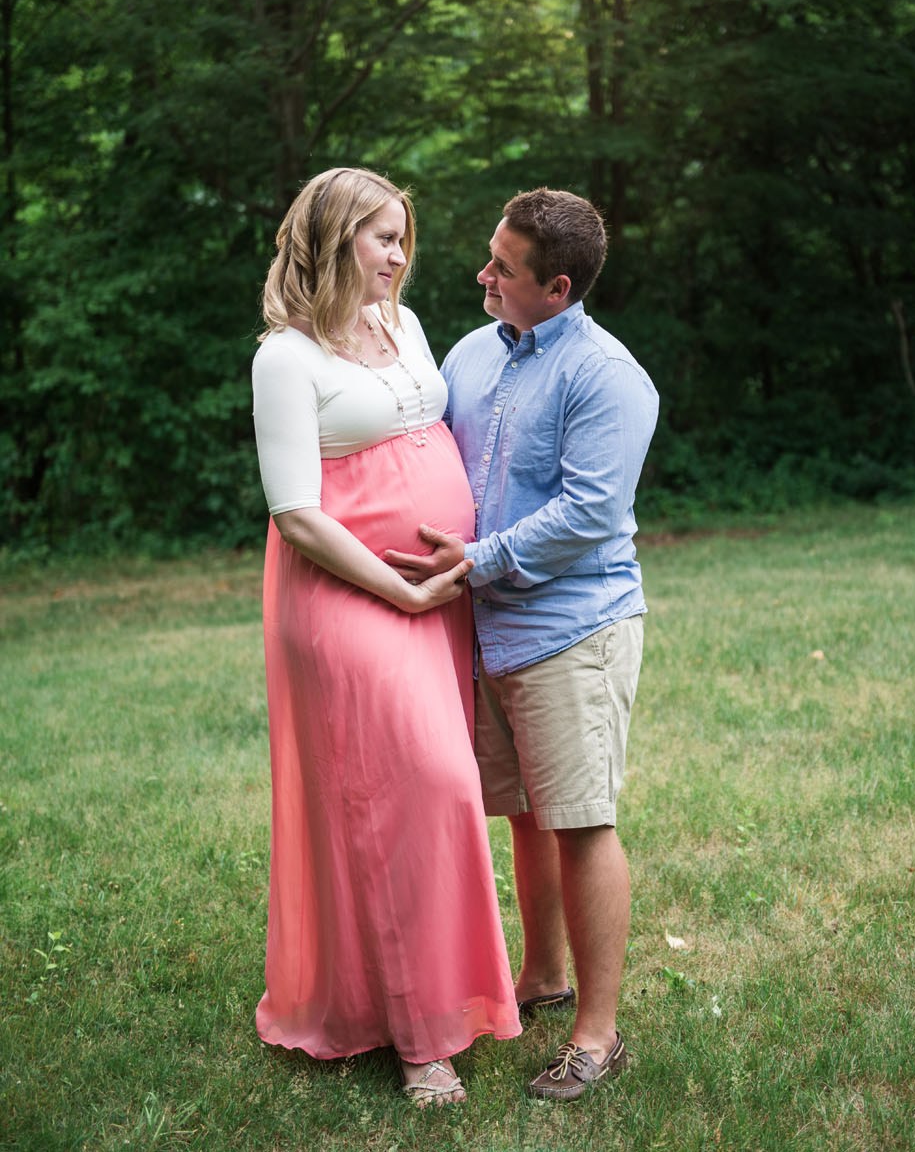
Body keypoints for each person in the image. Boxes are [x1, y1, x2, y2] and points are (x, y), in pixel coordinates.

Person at [251, 167, 521, 1108]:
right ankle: (416, 1036)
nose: (401, 257)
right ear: (331, 239)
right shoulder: (285, 358)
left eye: (404, 238)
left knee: (419, 801)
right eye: (382, 239)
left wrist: (448, 574)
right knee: (414, 793)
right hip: (344, 599)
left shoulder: (400, 325)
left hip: (430, 597)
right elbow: (297, 515)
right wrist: (398, 595)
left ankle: (435, 993)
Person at [386, 187, 658, 1101]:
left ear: (559, 286)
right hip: (482, 627)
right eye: (490, 255)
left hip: (570, 627)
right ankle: (541, 975)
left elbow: (589, 515)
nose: (482, 274)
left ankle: (597, 1034)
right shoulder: (468, 352)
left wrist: (477, 561)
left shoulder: (606, 376)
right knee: (527, 814)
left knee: (580, 821)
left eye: (503, 268)